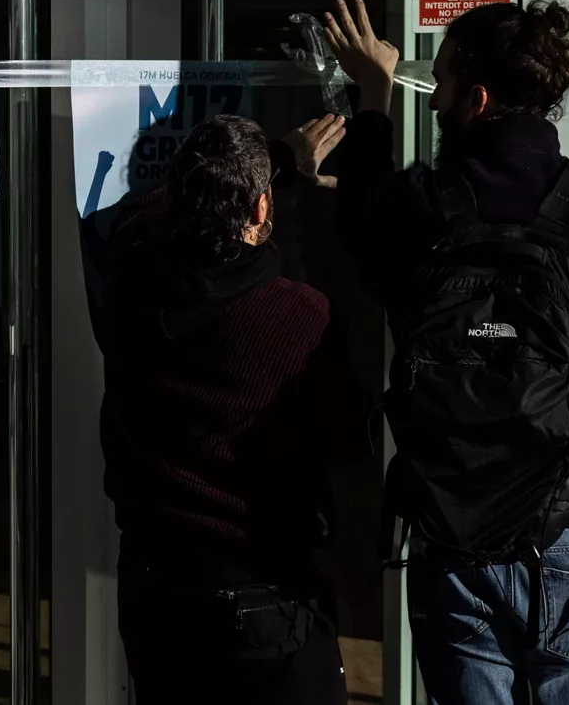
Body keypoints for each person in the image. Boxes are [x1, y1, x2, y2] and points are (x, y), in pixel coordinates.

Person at [324, 0, 569, 704]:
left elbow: (358, 216)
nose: (434, 106)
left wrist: (373, 95)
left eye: (442, 88)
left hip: (455, 535)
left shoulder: (419, 208)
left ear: (476, 99)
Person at [89, 113, 373, 704]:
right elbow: (349, 442)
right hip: (260, 583)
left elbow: (141, 220)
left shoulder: (132, 282)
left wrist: (270, 161)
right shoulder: (299, 317)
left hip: (156, 582)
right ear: (263, 209)